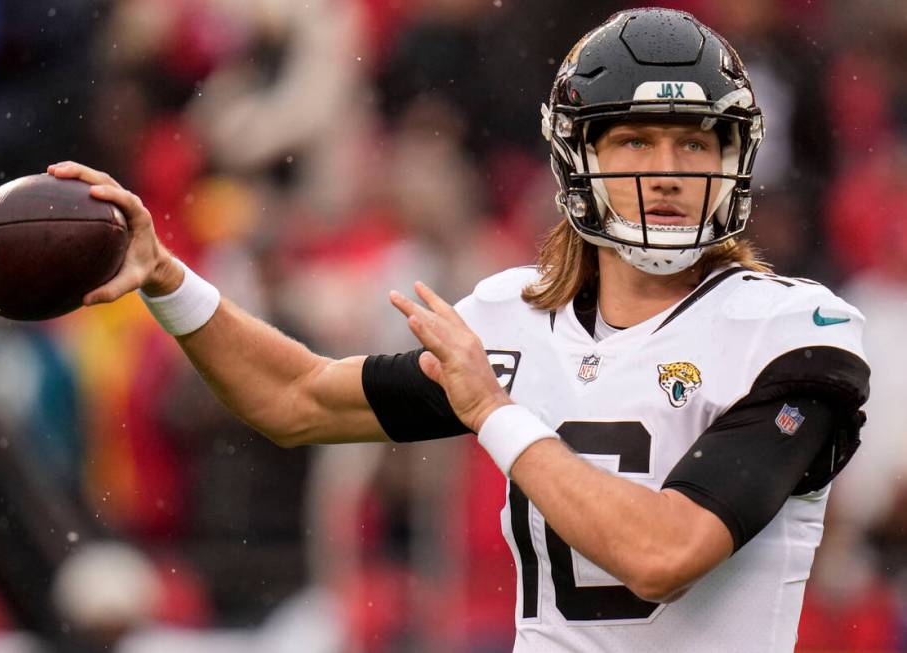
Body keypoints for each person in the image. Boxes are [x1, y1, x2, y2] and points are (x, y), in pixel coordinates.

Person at [47, 8, 869, 652]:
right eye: (633, 141)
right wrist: (169, 279)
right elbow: (294, 398)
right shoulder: (517, 318)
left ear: (735, 159)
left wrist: (493, 411)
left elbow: (665, 554)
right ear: (576, 158)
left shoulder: (793, 329)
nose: (667, 170)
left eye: (695, 143)